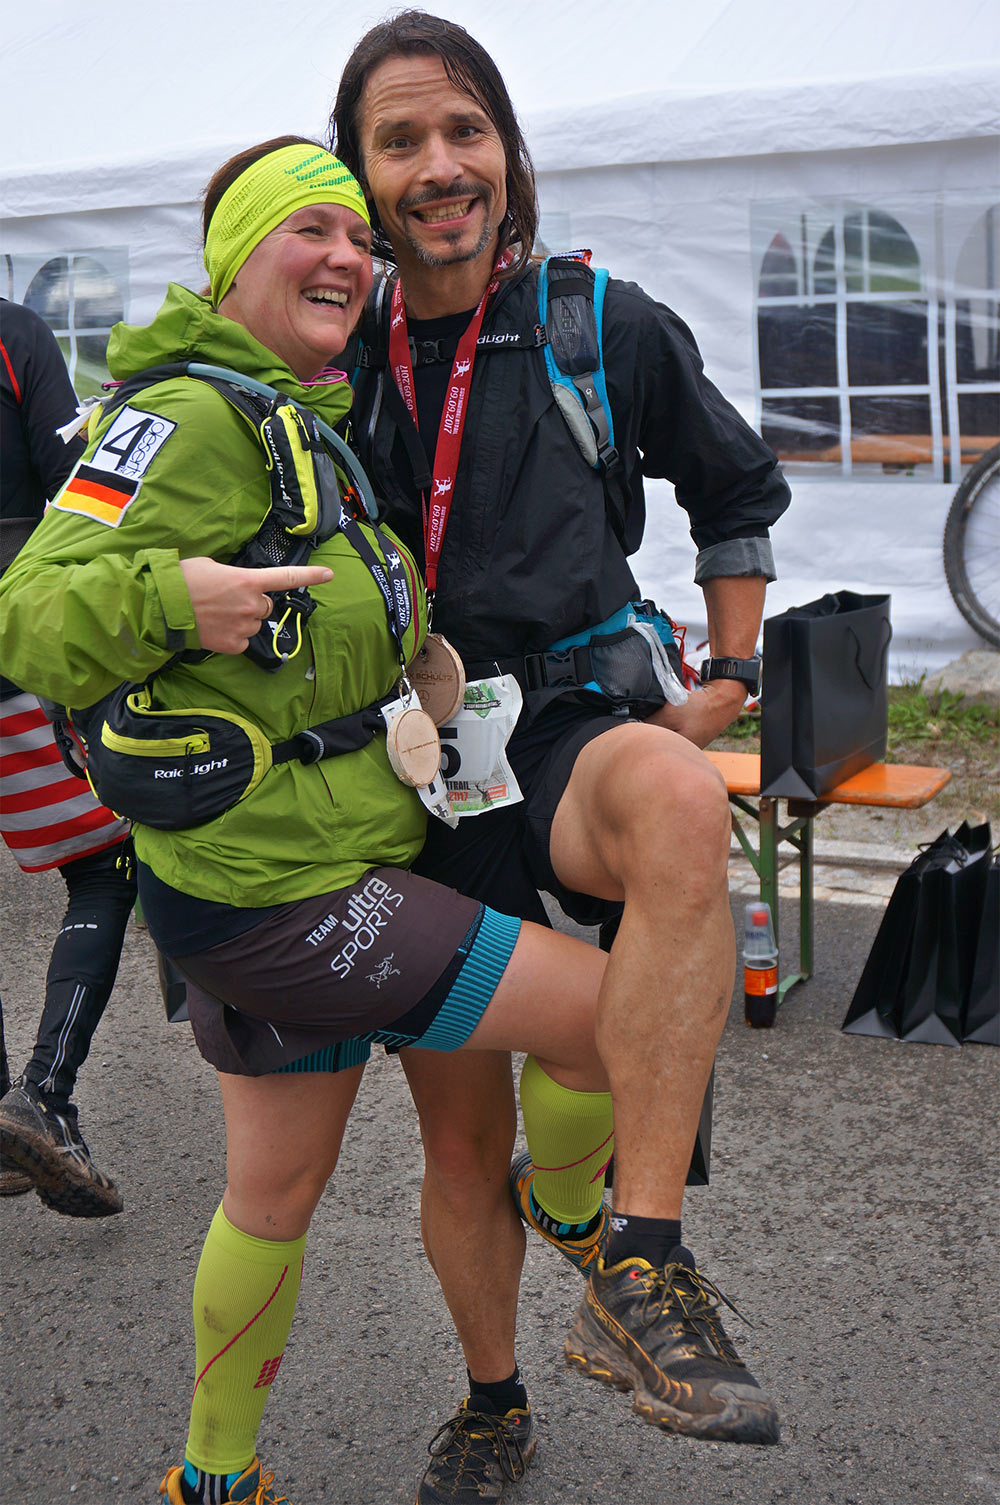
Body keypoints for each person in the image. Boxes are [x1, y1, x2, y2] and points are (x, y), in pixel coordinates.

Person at [0, 138, 776, 1505]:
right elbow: (34, 613)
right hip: (296, 898)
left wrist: (416, 662)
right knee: (626, 1020)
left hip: (265, 874)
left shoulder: (299, 412)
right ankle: (581, 1224)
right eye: (311, 230)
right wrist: (178, 601)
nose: (350, 256)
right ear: (235, 258)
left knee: (271, 1201)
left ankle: (216, 1478)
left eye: (358, 238)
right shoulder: (185, 419)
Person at [330, 11, 790, 1499]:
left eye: (466, 130)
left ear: (509, 158)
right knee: (462, 1145)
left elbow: (734, 490)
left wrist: (729, 671)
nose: (441, 165)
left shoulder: (602, 319)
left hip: (582, 726)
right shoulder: (326, 359)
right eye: (402, 140)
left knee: (673, 797)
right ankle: (492, 1401)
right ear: (361, 176)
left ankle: (638, 1262)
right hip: (409, 773)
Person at [0, 296, 136, 1216]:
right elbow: (72, 483)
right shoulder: (12, 332)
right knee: (105, 862)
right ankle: (41, 1094)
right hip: (13, 635)